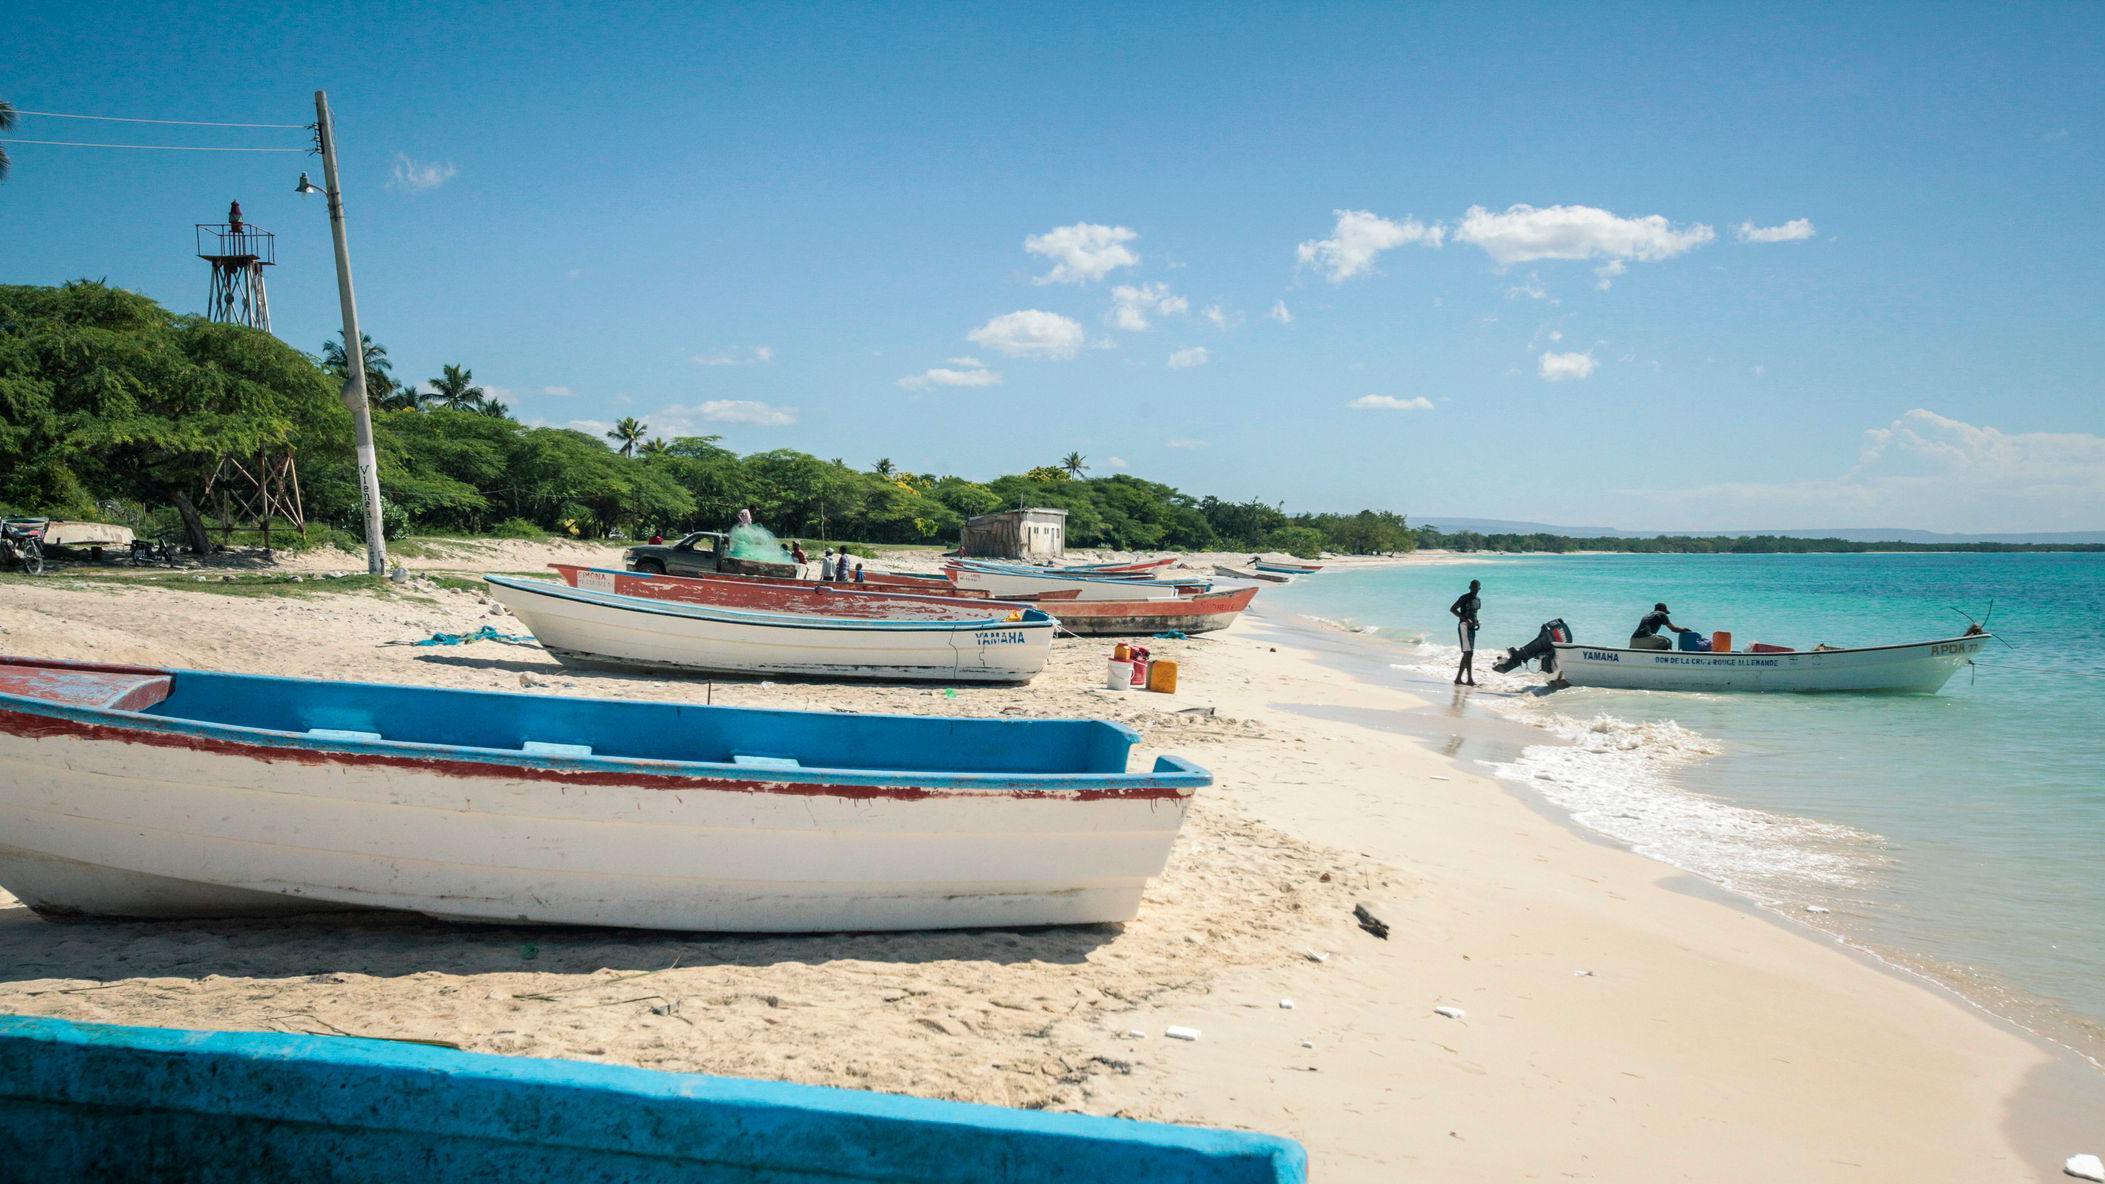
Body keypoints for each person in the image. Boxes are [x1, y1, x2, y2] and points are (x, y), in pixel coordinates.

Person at [1449, 579, 1482, 686]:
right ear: (1469, 588)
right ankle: (1469, 679)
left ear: (1479, 588)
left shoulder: (1478, 600)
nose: (1474, 589)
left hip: (1472, 628)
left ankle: (1458, 679)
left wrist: (1477, 622)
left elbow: (1474, 613)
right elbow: (1453, 609)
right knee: (1469, 653)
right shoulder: (1464, 597)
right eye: (1473, 587)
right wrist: (1465, 619)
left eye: (1476, 587)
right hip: (1464, 626)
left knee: (1468, 653)